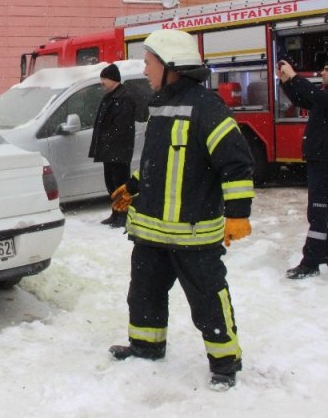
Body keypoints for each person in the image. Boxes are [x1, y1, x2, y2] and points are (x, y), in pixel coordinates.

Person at [108, 29, 255, 391]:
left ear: (171, 66)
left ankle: (225, 362)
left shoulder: (208, 108)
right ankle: (146, 346)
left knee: (208, 301)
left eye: (149, 63)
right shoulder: (160, 106)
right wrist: (134, 186)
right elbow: (160, 163)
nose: (145, 70)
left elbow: (236, 163)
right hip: (151, 233)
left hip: (193, 236)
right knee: (144, 294)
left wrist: (238, 213)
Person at [277, 58, 328, 279]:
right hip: (321, 159)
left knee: (317, 211)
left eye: (327, 69)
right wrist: (286, 82)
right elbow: (303, 99)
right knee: (326, 209)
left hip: (326, 162)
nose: (322, 72)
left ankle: (310, 263)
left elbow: (314, 95)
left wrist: (295, 76)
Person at [88, 63, 136, 227]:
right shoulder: (109, 97)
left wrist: (106, 137)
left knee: (120, 184)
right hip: (109, 150)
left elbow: (121, 127)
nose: (102, 82)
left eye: (104, 79)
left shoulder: (125, 98)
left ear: (113, 79)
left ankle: (123, 216)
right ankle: (115, 213)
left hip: (119, 151)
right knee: (111, 184)